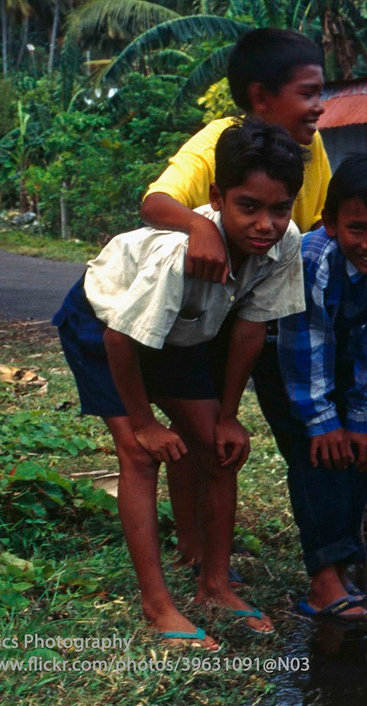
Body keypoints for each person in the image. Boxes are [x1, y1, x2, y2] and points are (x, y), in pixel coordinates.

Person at [52, 119, 307, 647]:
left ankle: (215, 585)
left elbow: (250, 332)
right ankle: (157, 606)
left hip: (176, 335)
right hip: (104, 324)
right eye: (248, 207)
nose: (265, 224)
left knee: (218, 449)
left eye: (279, 209)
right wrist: (143, 423)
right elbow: (121, 341)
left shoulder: (286, 245)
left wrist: (230, 414)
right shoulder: (181, 255)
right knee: (139, 457)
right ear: (217, 197)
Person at [139, 28, 331, 578]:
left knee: (223, 430)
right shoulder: (217, 142)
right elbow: (155, 201)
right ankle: (194, 545)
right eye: (309, 92)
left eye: (321, 92)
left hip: (259, 301)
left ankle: (212, 542)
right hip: (199, 307)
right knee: (196, 428)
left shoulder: (308, 147)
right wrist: (200, 227)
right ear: (261, 97)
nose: (320, 106)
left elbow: (315, 223)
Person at [275, 153, 367, 620]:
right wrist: (321, 421)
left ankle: (344, 563)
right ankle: (322, 583)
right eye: (357, 228)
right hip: (287, 357)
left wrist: (360, 419)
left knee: (357, 458)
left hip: (347, 354)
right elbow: (306, 338)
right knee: (315, 457)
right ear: (331, 223)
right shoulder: (315, 258)